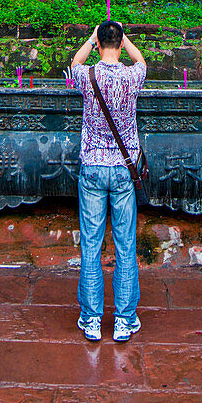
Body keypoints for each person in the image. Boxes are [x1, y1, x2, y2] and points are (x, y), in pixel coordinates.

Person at [71, 19, 147, 342]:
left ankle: (91, 319)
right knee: (125, 243)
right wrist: (125, 38)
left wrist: (90, 39)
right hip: (122, 170)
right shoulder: (133, 77)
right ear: (120, 44)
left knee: (91, 243)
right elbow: (141, 61)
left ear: (100, 46)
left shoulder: (87, 75)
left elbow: (74, 62)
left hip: (92, 167)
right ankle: (124, 320)